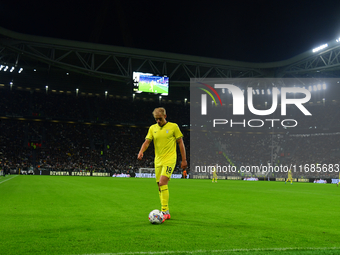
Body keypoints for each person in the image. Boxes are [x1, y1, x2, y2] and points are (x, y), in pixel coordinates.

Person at [138, 107, 187, 221]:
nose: (158, 121)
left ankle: (164, 211)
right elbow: (147, 142)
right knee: (159, 186)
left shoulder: (173, 127)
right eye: (156, 119)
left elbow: (180, 143)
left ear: (165, 116)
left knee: (162, 182)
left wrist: (184, 159)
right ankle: (166, 210)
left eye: (160, 119)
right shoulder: (152, 128)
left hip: (170, 159)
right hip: (158, 160)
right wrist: (141, 151)